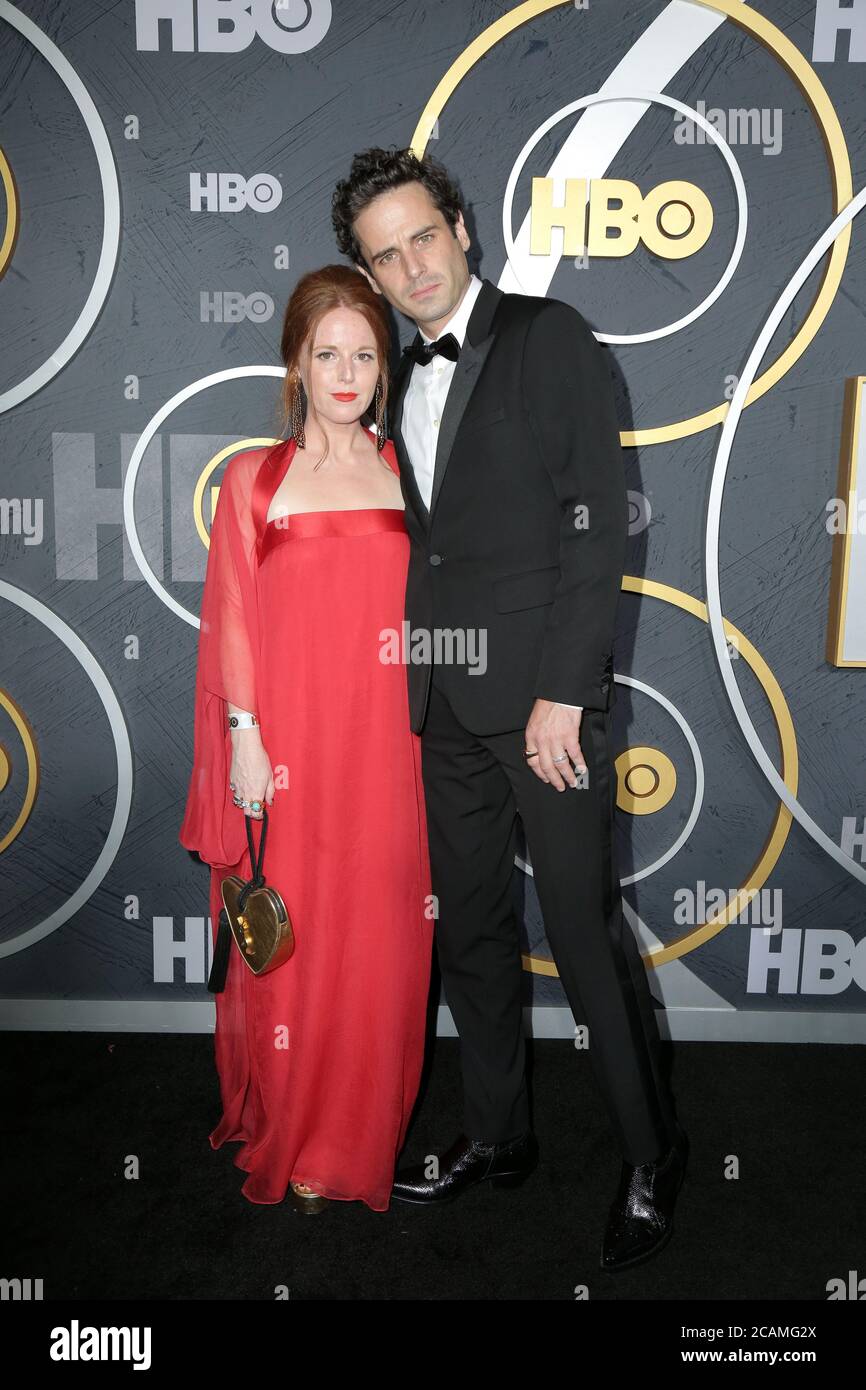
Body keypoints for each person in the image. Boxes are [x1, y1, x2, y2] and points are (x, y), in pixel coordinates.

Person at [330, 148, 687, 1269]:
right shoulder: (390, 370)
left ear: (462, 230)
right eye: (384, 256)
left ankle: (651, 1153)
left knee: (580, 931)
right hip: (440, 698)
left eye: (421, 237)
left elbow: (600, 525)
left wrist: (561, 694)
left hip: (542, 707)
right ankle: (498, 1133)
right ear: (370, 273)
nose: (409, 266)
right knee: (473, 935)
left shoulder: (550, 337)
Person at [179, 265, 434, 1215]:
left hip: (390, 755)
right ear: (295, 360)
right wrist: (246, 738)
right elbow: (234, 618)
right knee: (294, 943)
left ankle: (360, 1139)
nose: (345, 371)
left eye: (364, 354)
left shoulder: (410, 473)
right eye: (327, 353)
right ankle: (295, 1132)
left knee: (384, 950)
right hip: (286, 750)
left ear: (384, 366)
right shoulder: (255, 478)